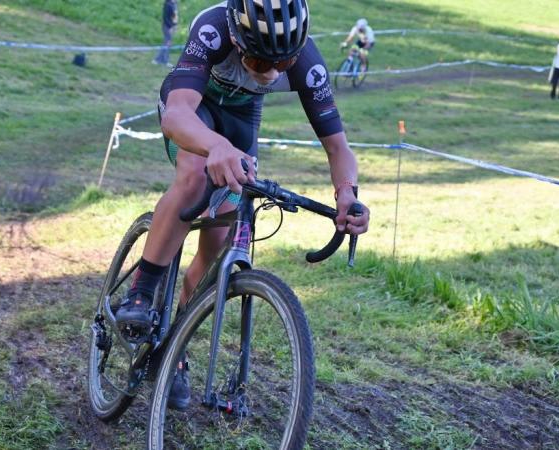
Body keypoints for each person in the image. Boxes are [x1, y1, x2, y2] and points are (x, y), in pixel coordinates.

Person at [116, 0, 370, 410]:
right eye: (255, 58)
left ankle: (174, 344)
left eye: (282, 61)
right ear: (236, 37)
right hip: (194, 110)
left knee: (218, 239)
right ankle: (142, 292)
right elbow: (177, 113)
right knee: (195, 176)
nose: (269, 72)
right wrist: (214, 145)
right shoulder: (213, 28)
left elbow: (338, 147)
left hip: (241, 120)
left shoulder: (309, 63)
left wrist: (347, 195)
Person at [153, 0, 178, 66]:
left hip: (171, 26)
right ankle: (160, 60)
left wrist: (175, 25)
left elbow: (175, 16)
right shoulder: (168, 4)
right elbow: (166, 18)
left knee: (167, 43)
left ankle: (161, 60)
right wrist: (170, 27)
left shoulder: (174, 4)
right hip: (167, 26)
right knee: (167, 43)